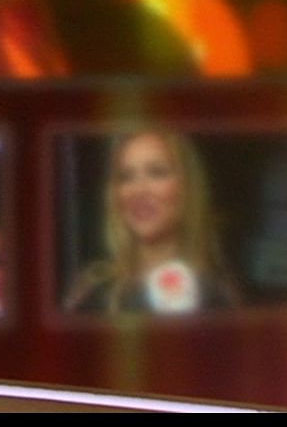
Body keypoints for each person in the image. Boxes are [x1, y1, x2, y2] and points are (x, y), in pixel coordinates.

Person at [64, 131, 241, 315]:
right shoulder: (91, 293)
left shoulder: (221, 295)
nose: (139, 190)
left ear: (187, 186)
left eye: (156, 173)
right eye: (126, 177)